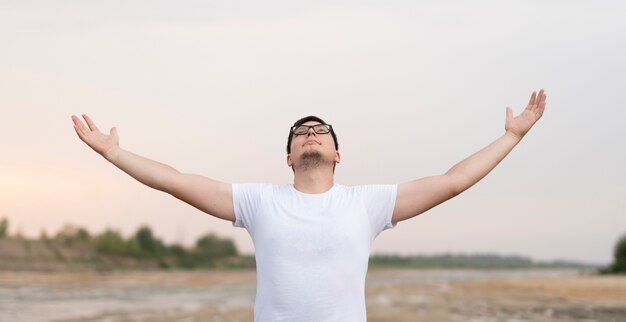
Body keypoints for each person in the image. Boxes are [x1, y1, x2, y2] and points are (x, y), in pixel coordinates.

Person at [71, 89, 547, 322]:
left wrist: (510, 136)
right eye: (301, 133)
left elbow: (453, 181)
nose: (310, 135)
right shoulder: (259, 201)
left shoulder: (368, 203)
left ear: (338, 155)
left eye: (320, 132)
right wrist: (114, 154)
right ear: (289, 156)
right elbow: (175, 182)